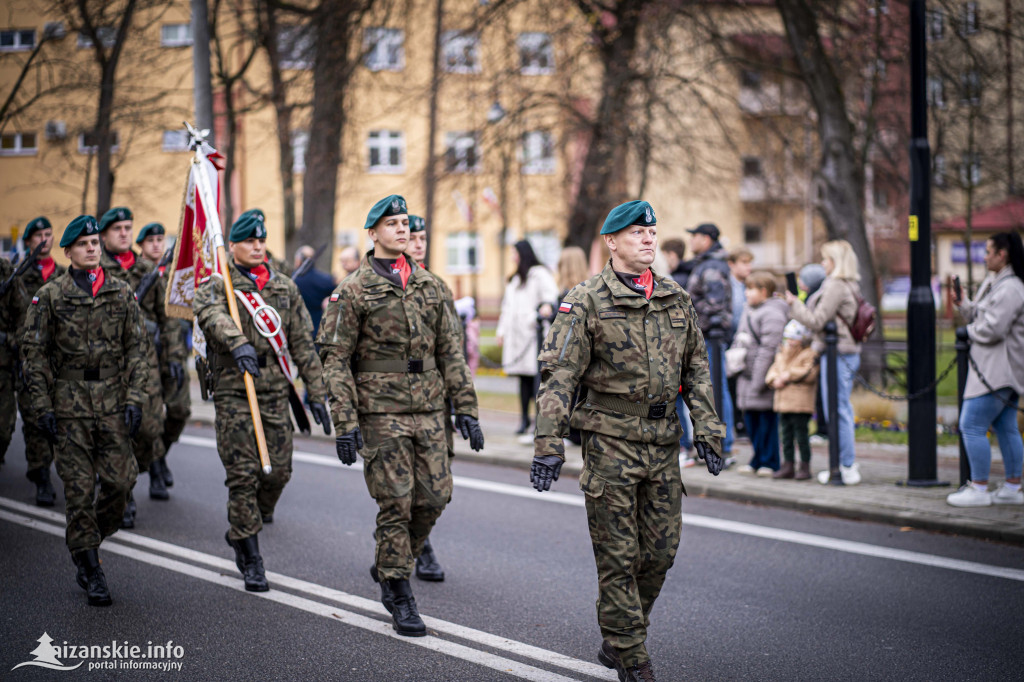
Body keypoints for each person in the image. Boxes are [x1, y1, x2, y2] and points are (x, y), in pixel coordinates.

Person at [532, 200, 726, 682]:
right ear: (611, 242)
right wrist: (548, 445)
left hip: (663, 444)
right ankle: (631, 655)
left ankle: (619, 632)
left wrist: (709, 428)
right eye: (637, 232)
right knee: (618, 556)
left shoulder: (675, 297)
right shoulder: (586, 300)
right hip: (610, 443)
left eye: (652, 231)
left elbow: (697, 370)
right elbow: (560, 376)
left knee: (660, 554)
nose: (647, 239)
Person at [318, 195, 483, 637]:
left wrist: (465, 407)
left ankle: (391, 562)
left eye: (405, 222)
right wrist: (346, 422)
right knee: (397, 501)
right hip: (380, 411)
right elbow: (334, 359)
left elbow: (451, 351)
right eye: (391, 224)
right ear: (372, 234)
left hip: (429, 408)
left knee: (435, 496)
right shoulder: (352, 290)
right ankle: (397, 588)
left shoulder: (431, 286)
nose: (402, 229)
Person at [194, 211, 331, 592]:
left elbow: (303, 342)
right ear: (232, 246)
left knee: (280, 470)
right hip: (236, 388)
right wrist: (237, 344)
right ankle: (249, 550)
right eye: (249, 241)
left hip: (274, 390)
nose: (257, 246)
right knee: (243, 474)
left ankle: (250, 519)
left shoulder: (285, 287)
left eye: (261, 240)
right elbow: (210, 314)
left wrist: (317, 392)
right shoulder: (218, 283)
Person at [21, 215, 147, 606]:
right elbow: (34, 354)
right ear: (69, 251)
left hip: (112, 403)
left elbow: (138, 350)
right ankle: (90, 566)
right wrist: (41, 407)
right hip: (69, 405)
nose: (93, 248)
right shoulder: (51, 296)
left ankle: (86, 539)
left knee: (120, 484)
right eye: (85, 243)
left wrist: (135, 399)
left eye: (96, 242)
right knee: (78, 491)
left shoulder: (121, 293)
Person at [99, 207, 183, 521]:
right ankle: (123, 494)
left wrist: (174, 356)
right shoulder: (95, 270)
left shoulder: (148, 269)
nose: (124, 233)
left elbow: (170, 318)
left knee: (148, 430)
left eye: (128, 227)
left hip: (144, 362)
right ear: (104, 234)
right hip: (106, 363)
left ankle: (131, 476)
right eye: (117, 228)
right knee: (112, 431)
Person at [947, 231, 1024, 507]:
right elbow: (984, 315)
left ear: (1002, 255)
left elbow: (993, 327)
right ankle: (1013, 487)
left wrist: (966, 331)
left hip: (997, 371)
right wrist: (964, 305)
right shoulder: (997, 283)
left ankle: (979, 487)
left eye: (989, 251)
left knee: (971, 425)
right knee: (1006, 427)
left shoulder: (1010, 288)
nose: (985, 256)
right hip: (1001, 370)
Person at [785, 239, 863, 485]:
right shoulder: (848, 283)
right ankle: (841, 463)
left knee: (838, 410)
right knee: (838, 409)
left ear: (835, 262)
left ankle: (845, 465)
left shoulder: (836, 286)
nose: (822, 263)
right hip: (842, 352)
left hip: (839, 353)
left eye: (825, 259)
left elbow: (817, 320)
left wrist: (794, 304)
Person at [136, 221, 190, 491]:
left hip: (174, 353)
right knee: (152, 418)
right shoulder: (135, 274)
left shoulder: (175, 275)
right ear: (141, 246)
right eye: (151, 240)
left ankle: (160, 456)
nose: (157, 244)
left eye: (160, 239)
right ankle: (155, 468)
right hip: (148, 358)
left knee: (180, 410)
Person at [15, 216, 59, 506]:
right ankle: (41, 475)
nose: (44, 239)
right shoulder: (17, 277)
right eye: (38, 235)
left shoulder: (65, 276)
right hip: (27, 360)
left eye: (48, 233)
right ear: (29, 241)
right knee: (35, 420)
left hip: (59, 362)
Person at [496, 240, 559, 436]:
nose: (513, 257)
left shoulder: (539, 274)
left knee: (535, 379)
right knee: (522, 380)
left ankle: (537, 421)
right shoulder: (515, 280)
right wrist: (501, 331)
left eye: (515, 253)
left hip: (534, 336)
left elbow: (551, 297)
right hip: (517, 337)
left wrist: (537, 316)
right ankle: (524, 419)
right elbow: (507, 308)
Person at [686, 223, 734, 460]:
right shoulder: (705, 263)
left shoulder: (712, 266)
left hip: (711, 336)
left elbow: (716, 305)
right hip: (705, 335)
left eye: (694, 236)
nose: (691, 241)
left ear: (705, 239)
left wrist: (689, 306)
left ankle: (722, 443)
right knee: (711, 389)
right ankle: (717, 441)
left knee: (714, 389)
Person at [732, 271, 787, 475]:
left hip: (760, 376)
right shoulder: (750, 310)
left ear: (764, 291)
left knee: (766, 421)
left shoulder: (772, 313)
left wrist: (758, 381)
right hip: (746, 374)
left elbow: (768, 349)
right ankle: (757, 459)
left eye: (751, 289)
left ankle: (770, 461)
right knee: (751, 420)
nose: (746, 293)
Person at [765, 320, 819, 480]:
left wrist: (788, 375)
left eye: (794, 338)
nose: (790, 342)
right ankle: (788, 465)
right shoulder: (781, 353)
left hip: (800, 403)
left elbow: (809, 373)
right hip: (783, 402)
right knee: (786, 436)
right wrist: (774, 380)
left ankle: (804, 466)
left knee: (801, 436)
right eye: (787, 338)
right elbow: (773, 370)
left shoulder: (809, 354)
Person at [797, 263, 829, 442]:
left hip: (818, 349)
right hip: (813, 349)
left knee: (822, 392)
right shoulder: (809, 296)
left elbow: (813, 321)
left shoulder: (815, 297)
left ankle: (824, 429)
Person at [727, 248, 754, 438]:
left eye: (750, 263)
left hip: (746, 341)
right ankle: (737, 423)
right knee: (731, 385)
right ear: (732, 264)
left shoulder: (749, 285)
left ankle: (744, 423)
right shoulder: (728, 286)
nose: (748, 267)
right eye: (744, 263)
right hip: (730, 340)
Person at [292, 245, 336, 335]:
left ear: (299, 260)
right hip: (320, 330)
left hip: (298, 331)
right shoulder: (326, 280)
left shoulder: (293, 281)